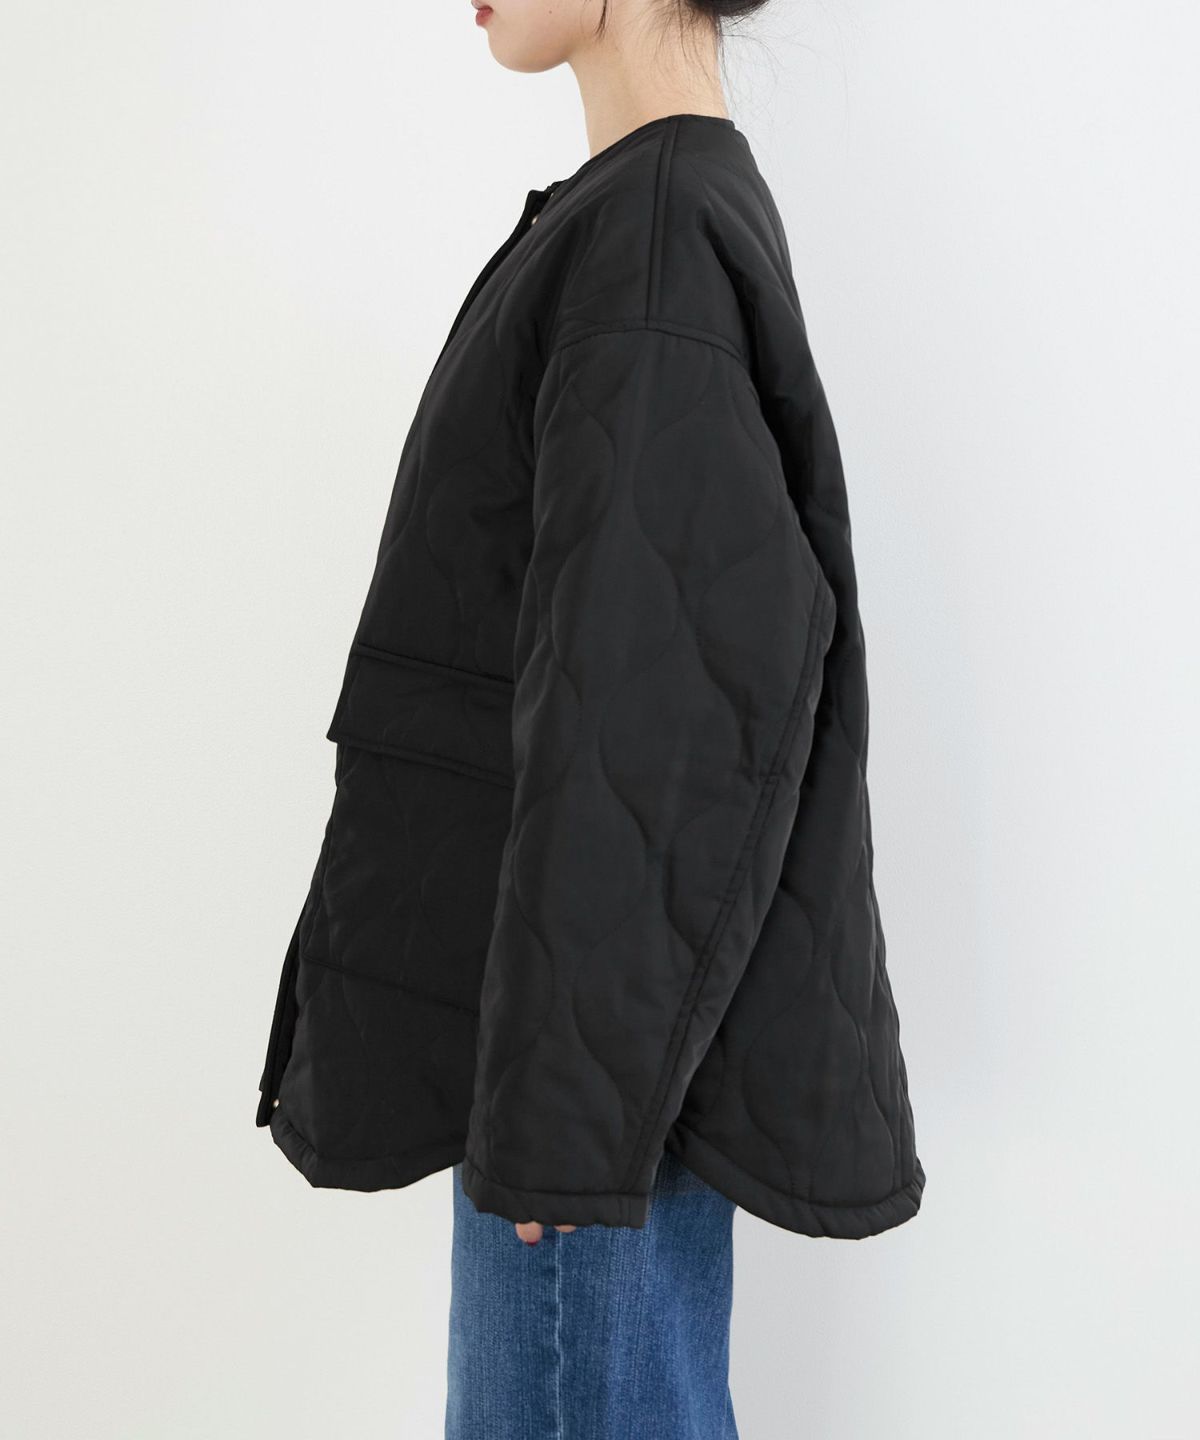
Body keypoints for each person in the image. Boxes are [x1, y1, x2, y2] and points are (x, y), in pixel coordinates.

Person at [255, 1, 924, 1434]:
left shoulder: (654, 233)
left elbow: (656, 713)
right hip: (584, 1060)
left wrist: (562, 1119)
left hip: (586, 1092)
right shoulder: (649, 213)